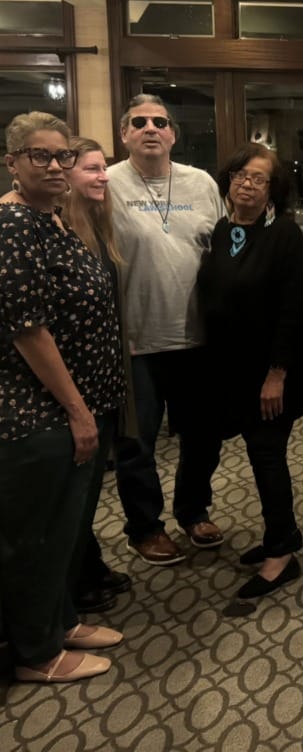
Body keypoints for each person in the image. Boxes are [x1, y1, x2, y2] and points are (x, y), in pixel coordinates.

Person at [0, 112, 124, 683]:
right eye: (39, 156)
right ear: (13, 163)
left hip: (82, 404)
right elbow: (29, 330)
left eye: (62, 156)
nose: (54, 165)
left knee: (66, 528)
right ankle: (36, 652)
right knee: (39, 534)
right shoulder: (14, 225)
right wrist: (77, 411)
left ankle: (63, 619)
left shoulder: (54, 221)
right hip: (42, 413)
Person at [196, 144, 303, 599]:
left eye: (259, 178)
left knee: (267, 454)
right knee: (258, 453)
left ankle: (282, 550)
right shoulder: (223, 229)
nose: (247, 183)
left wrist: (277, 373)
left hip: (275, 373)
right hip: (234, 372)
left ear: (274, 190)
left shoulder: (284, 235)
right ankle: (279, 534)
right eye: (240, 175)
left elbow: (295, 311)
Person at [108, 94, 225, 566]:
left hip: (197, 338)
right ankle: (145, 526)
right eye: (139, 122)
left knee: (202, 436)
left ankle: (193, 510)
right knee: (136, 444)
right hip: (135, 340)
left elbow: (223, 251)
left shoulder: (201, 183)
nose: (150, 128)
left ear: (174, 134)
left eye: (160, 122)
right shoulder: (105, 183)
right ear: (125, 134)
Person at [61, 137, 133, 614]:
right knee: (70, 496)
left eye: (103, 168)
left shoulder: (98, 227)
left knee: (86, 494)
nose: (103, 176)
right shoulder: (54, 231)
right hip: (72, 388)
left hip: (104, 381)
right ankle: (71, 587)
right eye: (91, 169)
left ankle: (87, 566)